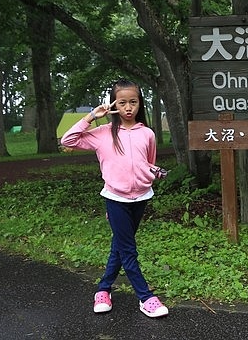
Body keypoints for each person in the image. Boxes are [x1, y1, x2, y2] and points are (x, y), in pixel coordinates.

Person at [61, 79, 169, 318]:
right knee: (128, 249)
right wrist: (92, 116)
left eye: (133, 102)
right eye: (122, 102)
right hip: (116, 198)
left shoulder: (147, 133)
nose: (128, 107)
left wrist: (152, 174)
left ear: (140, 104)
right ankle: (145, 297)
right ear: (113, 104)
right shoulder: (101, 134)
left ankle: (103, 289)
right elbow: (67, 140)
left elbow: (148, 162)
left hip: (141, 197)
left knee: (120, 245)